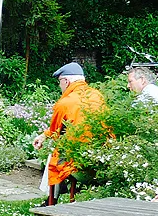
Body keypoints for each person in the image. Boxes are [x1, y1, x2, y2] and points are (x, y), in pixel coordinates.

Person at [32, 62, 106, 201]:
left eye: (60, 82)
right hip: (99, 153)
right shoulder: (98, 96)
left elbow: (55, 131)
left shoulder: (65, 102)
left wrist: (45, 136)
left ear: (66, 81)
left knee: (54, 156)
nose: (60, 86)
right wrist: (44, 135)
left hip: (76, 157)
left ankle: (50, 200)